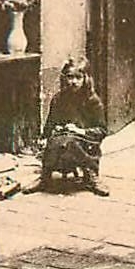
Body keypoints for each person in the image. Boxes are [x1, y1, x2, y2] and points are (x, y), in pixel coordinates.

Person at [40, 60, 109, 195]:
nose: (74, 82)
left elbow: (102, 130)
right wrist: (49, 134)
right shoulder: (59, 98)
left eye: (78, 77)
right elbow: (50, 123)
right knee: (55, 141)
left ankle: (91, 175)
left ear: (86, 79)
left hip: (85, 140)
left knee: (71, 143)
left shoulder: (93, 101)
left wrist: (79, 130)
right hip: (62, 138)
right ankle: (45, 177)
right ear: (64, 78)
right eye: (70, 77)